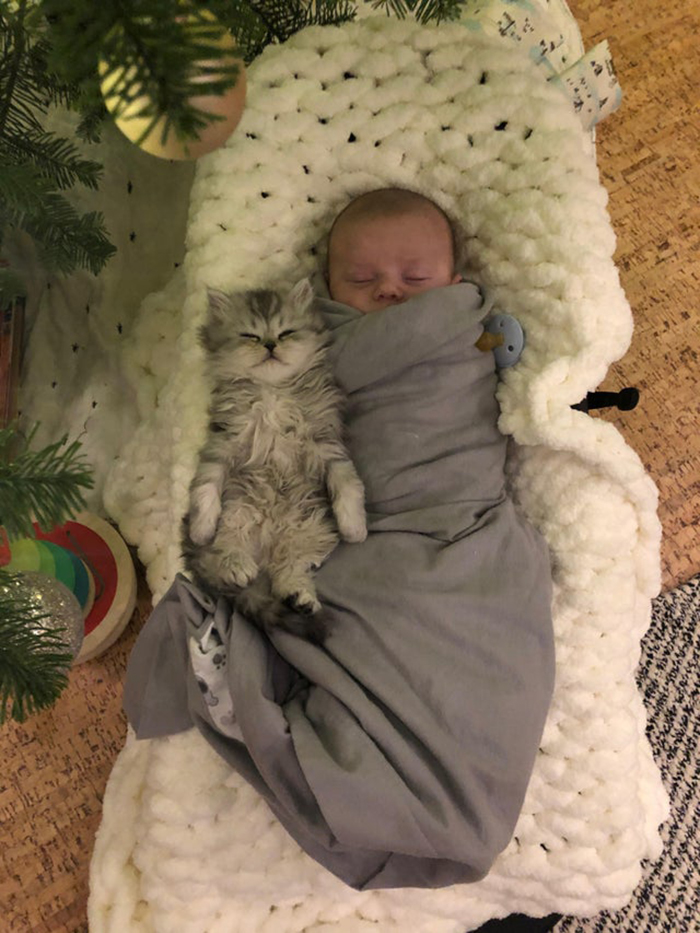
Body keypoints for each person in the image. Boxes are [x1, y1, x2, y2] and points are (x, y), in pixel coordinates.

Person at [325, 187, 463, 313]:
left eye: (415, 277)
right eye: (361, 279)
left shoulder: (465, 317)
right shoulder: (318, 326)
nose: (388, 289)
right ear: (329, 285)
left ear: (454, 288)